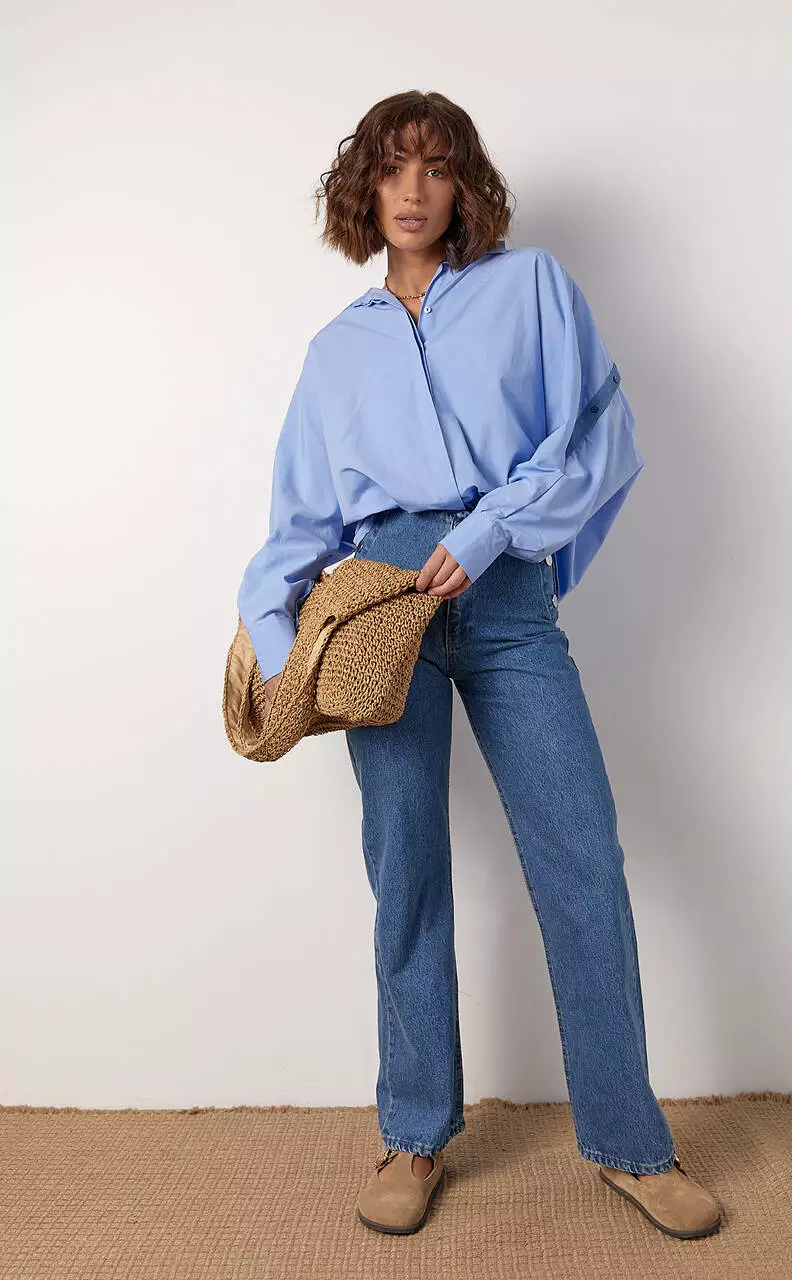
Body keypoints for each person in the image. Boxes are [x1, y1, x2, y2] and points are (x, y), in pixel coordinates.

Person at [237, 90, 722, 1241]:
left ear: (464, 185)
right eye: (391, 167)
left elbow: (597, 431)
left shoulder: (530, 286)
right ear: (363, 186)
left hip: (502, 597)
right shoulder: (336, 350)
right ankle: (412, 1131)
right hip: (376, 614)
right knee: (404, 870)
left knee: (582, 860)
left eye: (436, 165)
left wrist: (495, 528)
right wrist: (280, 652)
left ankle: (630, 1140)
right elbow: (296, 525)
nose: (412, 189)